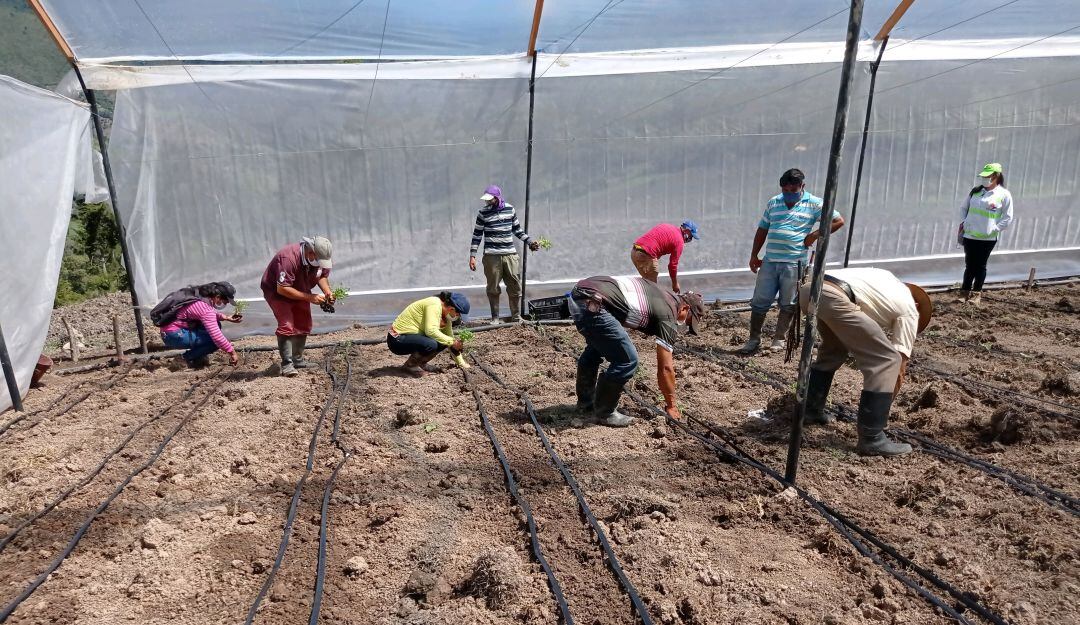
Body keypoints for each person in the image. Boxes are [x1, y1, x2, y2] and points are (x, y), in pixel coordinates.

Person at [798, 268, 933, 457]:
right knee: (887, 360)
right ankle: (873, 438)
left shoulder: (886, 281)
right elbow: (899, 365)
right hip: (835, 296)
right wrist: (882, 406)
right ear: (918, 305)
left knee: (833, 351)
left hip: (811, 289)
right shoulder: (911, 309)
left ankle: (811, 410)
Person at [569, 275, 706, 427]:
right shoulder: (669, 313)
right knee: (627, 360)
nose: (683, 326)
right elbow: (665, 367)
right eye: (687, 321)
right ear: (685, 308)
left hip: (580, 295)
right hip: (594, 302)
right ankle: (605, 413)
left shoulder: (663, 295)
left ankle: (585, 403)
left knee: (595, 350)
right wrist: (671, 405)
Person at [742, 168, 844, 354]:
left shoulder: (814, 204)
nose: (789, 194)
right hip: (770, 261)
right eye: (785, 191)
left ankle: (779, 339)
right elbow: (763, 229)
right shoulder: (774, 202)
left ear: (802, 187)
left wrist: (814, 235)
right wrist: (754, 255)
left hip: (794, 262)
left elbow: (837, 221)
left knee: (788, 302)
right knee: (759, 301)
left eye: (793, 191)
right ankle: (754, 339)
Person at [260, 236, 334, 377]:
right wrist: (310, 297)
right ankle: (287, 364)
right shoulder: (288, 258)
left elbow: (321, 276)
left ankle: (297, 360)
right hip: (277, 292)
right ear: (310, 252)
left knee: (303, 321)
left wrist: (327, 292)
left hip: (300, 286)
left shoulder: (318, 258)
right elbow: (282, 289)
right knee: (286, 324)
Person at [469, 185, 539, 323]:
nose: (487, 202)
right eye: (486, 199)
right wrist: (472, 256)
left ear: (497, 197)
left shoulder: (510, 209)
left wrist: (530, 242)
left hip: (510, 254)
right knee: (493, 287)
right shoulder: (483, 213)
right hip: (492, 256)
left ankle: (516, 316)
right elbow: (477, 235)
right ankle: (495, 318)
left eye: (490, 199)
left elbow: (517, 230)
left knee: (514, 285)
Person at [957, 163, 1014, 306]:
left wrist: (995, 228)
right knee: (969, 265)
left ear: (996, 176)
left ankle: (976, 295)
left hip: (987, 238)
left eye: (988, 176)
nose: (985, 179)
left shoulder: (1004, 195)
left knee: (980, 266)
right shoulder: (975, 191)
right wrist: (965, 222)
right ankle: (964, 293)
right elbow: (964, 208)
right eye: (983, 176)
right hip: (970, 235)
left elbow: (1008, 217)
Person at [387, 291, 471, 377]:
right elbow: (430, 331)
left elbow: (449, 338)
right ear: (451, 309)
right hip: (397, 339)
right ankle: (410, 366)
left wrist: (461, 363)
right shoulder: (434, 304)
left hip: (410, 337)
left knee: (444, 341)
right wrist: (453, 342)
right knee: (432, 344)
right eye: (458, 314)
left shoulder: (445, 315)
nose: (458, 317)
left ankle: (421, 363)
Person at [159, 282, 241, 368]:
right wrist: (232, 352)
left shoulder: (200, 298)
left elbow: (207, 315)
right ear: (218, 297)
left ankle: (197, 355)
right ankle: (184, 359)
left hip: (169, 332)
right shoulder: (205, 309)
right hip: (174, 335)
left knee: (216, 325)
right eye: (226, 301)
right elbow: (217, 337)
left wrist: (226, 317)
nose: (226, 303)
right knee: (215, 342)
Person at [631, 221, 699, 292]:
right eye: (691, 236)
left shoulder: (667, 226)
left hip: (635, 251)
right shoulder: (679, 241)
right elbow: (673, 265)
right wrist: (675, 284)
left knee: (647, 285)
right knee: (653, 290)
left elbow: (656, 241)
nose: (690, 239)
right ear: (687, 231)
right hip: (645, 255)